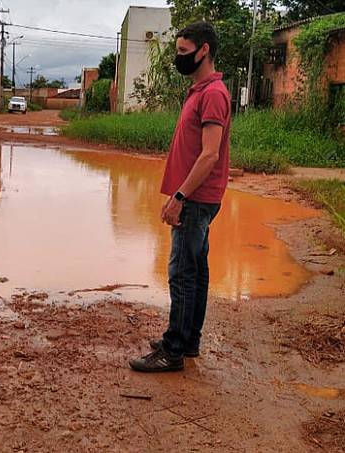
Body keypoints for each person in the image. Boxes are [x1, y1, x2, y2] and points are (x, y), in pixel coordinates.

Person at [130, 22, 231, 372]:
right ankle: (187, 340)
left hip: (196, 198)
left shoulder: (213, 94)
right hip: (197, 196)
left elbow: (210, 155)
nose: (178, 58)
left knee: (182, 272)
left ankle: (173, 351)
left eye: (184, 53)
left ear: (203, 51)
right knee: (196, 270)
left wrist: (179, 196)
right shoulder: (199, 90)